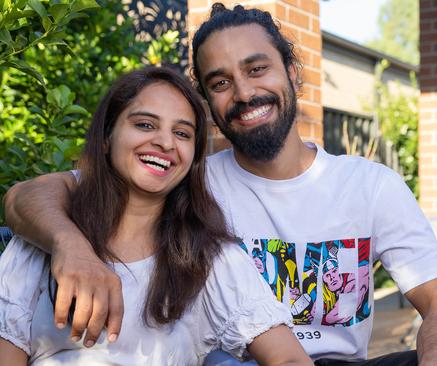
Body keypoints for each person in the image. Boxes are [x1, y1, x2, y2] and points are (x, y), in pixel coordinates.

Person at [4, 4, 437, 366]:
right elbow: (28, 196)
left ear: (291, 70)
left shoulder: (370, 185)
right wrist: (69, 244)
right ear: (209, 102)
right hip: (235, 361)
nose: (243, 93)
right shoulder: (182, 180)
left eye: (257, 68)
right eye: (220, 82)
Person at [0, 67, 312, 365]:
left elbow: (290, 358)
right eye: (145, 125)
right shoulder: (46, 235)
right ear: (107, 137)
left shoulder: (208, 258)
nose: (165, 142)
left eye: (182, 133)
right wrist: (72, 249)